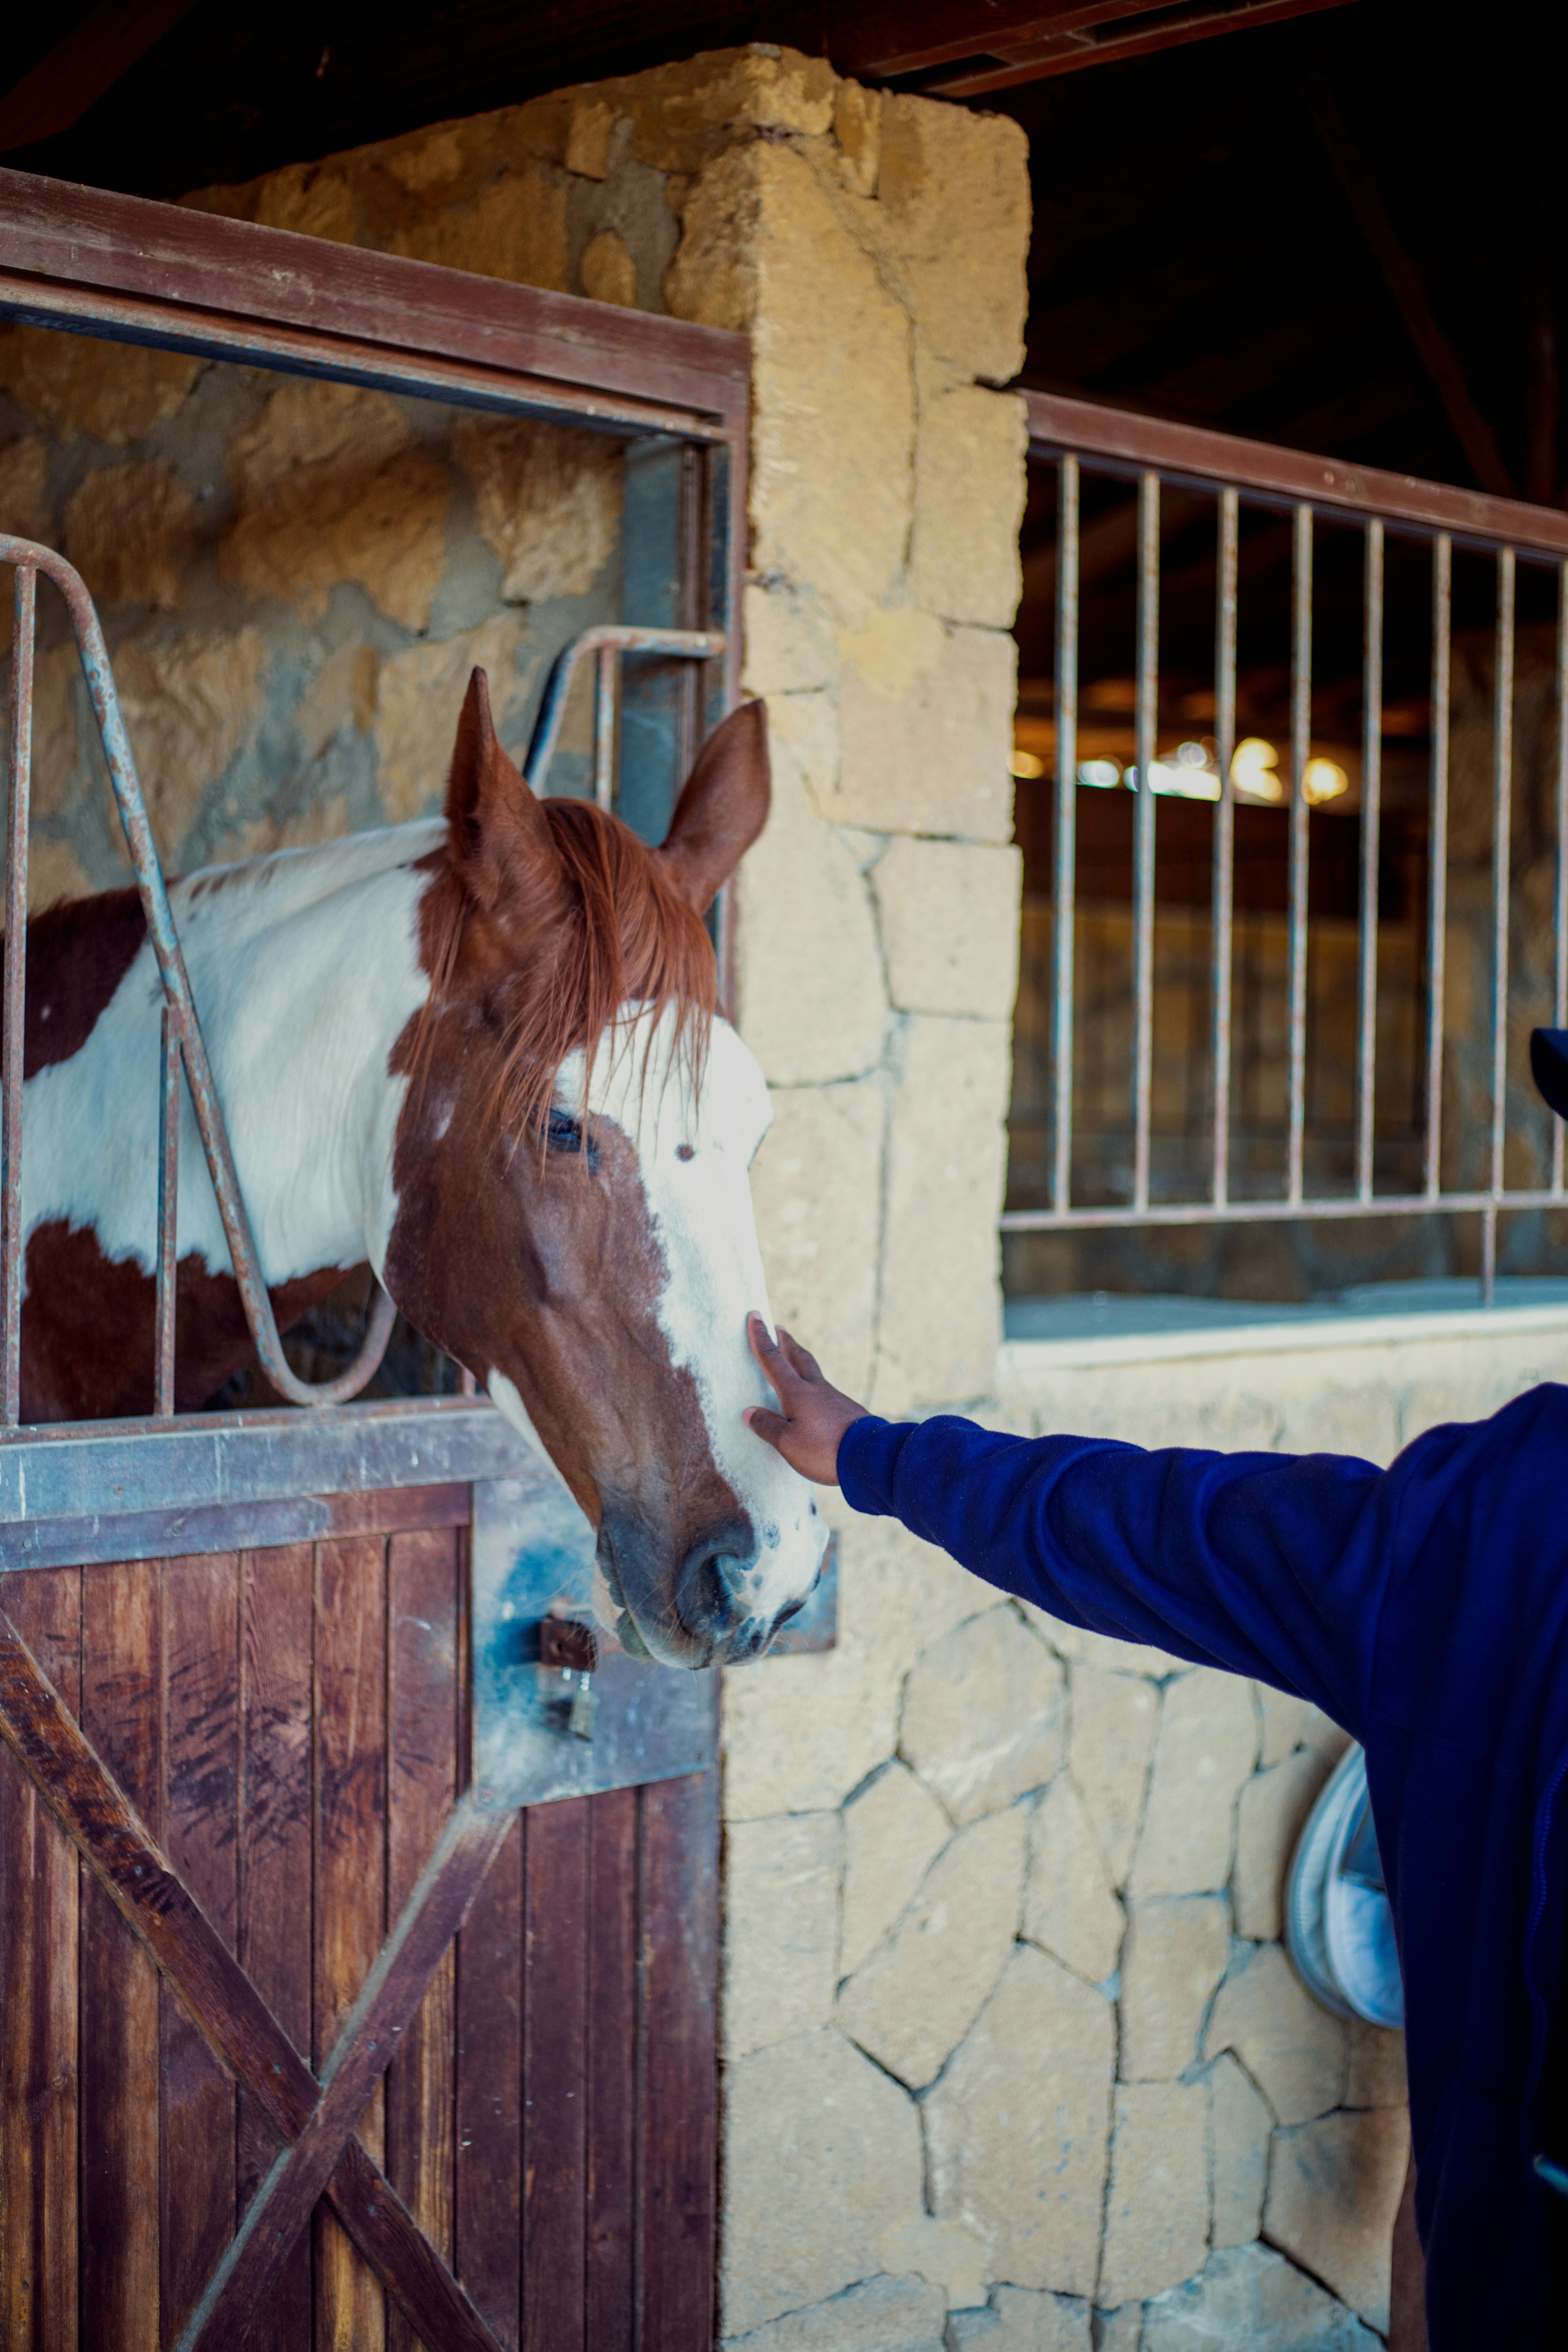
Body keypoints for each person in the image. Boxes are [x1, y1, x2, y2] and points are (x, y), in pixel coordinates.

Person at [741, 1028, 1568, 2352]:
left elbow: (1163, 1535)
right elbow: (1172, 1528)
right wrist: (886, 1457)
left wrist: (884, 1458)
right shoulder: (1488, 1521)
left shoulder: (1490, 1524)